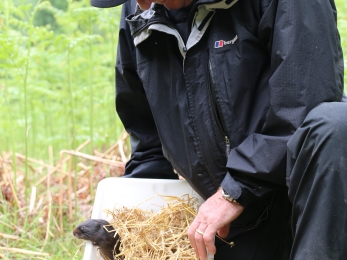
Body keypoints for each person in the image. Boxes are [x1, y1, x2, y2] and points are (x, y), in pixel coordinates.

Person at [91, 0, 347, 259]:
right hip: (234, 222)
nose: (141, 4)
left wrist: (235, 192)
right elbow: (149, 142)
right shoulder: (143, 6)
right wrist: (130, 228)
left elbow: (302, 106)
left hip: (303, 202)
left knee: (335, 124)